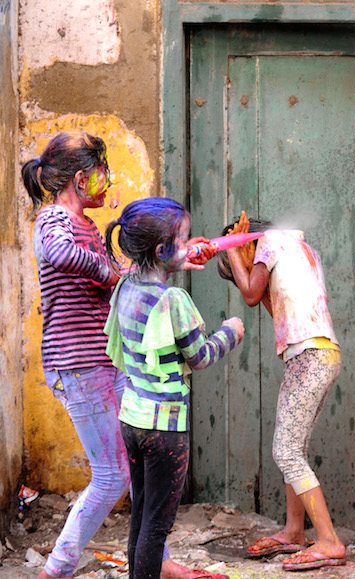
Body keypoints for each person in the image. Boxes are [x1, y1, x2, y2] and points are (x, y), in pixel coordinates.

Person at [22, 133, 217, 579]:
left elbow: (124, 276)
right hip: (77, 366)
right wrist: (109, 270)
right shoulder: (54, 220)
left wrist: (177, 256)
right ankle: (56, 570)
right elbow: (57, 253)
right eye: (103, 172)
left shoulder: (87, 225)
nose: (109, 180)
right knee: (112, 475)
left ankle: (158, 561)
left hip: (105, 362)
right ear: (80, 178)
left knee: (140, 471)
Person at [104, 197, 244, 579]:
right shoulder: (173, 300)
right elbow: (198, 356)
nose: (189, 246)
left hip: (132, 419)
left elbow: (153, 264)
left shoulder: (126, 285)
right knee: (156, 527)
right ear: (160, 249)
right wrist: (230, 334)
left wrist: (180, 255)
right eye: (182, 240)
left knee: (141, 517)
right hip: (164, 429)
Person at [215, 212, 346, 572]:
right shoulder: (297, 247)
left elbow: (252, 295)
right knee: (294, 447)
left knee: (286, 451)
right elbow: (272, 304)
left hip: (311, 356)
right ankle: (293, 531)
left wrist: (232, 253)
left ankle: (329, 540)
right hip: (318, 354)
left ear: (249, 241)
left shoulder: (271, 241)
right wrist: (242, 258)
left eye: (244, 259)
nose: (244, 267)